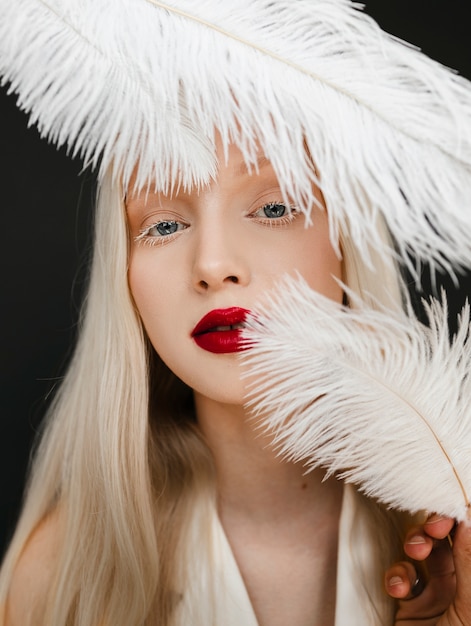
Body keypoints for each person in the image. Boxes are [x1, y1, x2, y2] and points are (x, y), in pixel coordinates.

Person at [1, 1, 471, 624]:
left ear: (348, 243)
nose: (213, 264)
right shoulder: (60, 581)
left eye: (274, 209)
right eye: (163, 224)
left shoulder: (452, 543)